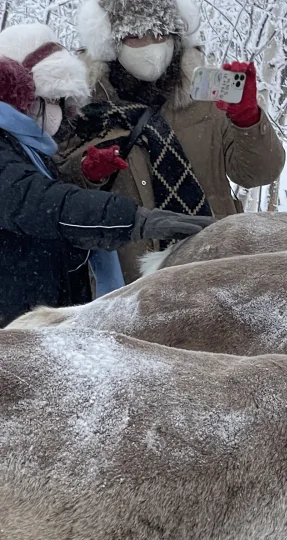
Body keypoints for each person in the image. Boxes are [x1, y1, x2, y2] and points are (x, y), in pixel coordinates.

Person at [0, 24, 209, 326]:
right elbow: (40, 203)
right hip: (17, 325)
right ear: (23, 97)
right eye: (55, 99)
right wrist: (133, 220)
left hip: (35, 314)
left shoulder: (30, 148)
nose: (61, 112)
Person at [61, 0, 285, 281]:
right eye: (136, 36)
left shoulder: (207, 99)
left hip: (215, 264)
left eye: (160, 34)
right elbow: (61, 191)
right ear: (111, 43)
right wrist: (87, 172)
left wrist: (248, 120)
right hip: (130, 279)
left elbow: (259, 173)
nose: (151, 46)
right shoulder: (86, 106)